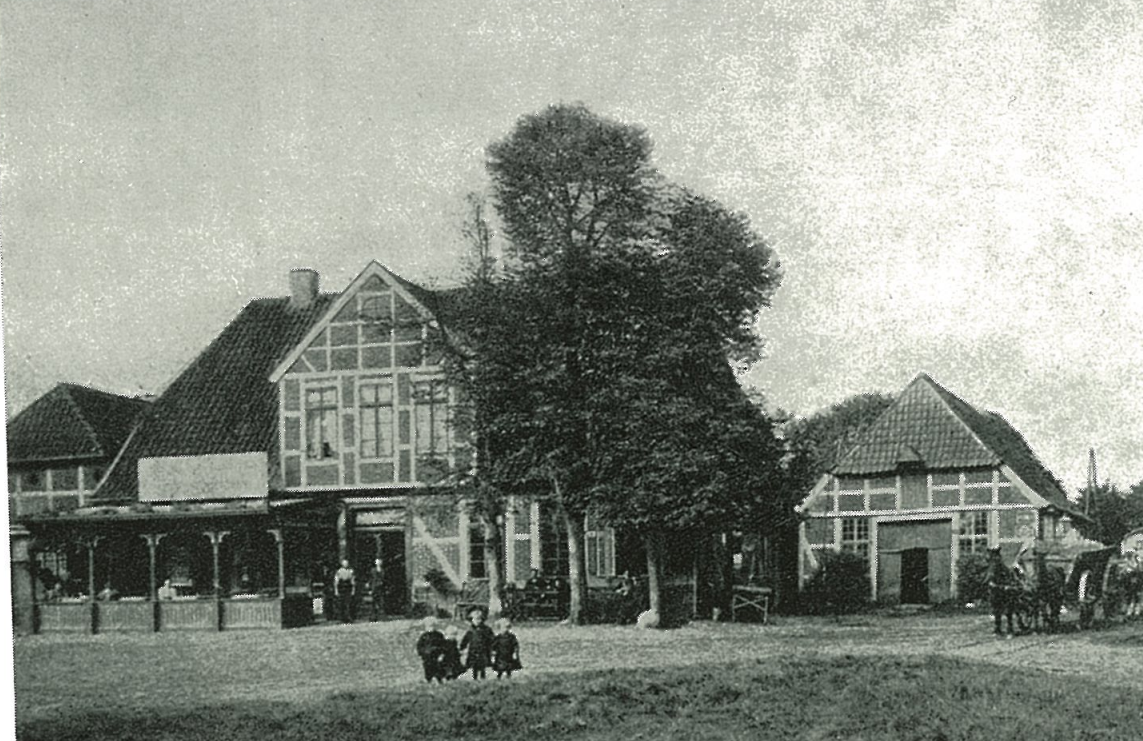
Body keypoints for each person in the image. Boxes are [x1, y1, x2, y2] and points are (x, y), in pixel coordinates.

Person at [459, 607, 494, 680]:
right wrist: (462, 646)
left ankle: (483, 677)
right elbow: (466, 639)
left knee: (482, 665)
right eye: (475, 619)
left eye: (479, 619)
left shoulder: (486, 629)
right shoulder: (471, 630)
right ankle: (475, 677)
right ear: (472, 620)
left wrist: (492, 647)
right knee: (474, 665)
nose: (477, 621)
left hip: (483, 650)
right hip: (473, 650)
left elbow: (491, 638)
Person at [415, 616, 447, 684]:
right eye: (428, 626)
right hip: (427, 656)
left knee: (438, 667)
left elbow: (443, 645)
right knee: (427, 667)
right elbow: (419, 645)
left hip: (436, 655)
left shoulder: (438, 635)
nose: (430, 628)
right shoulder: (424, 636)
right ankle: (428, 679)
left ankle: (439, 679)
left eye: (432, 626)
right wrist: (421, 653)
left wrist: (442, 654)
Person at [334, 559, 356, 623]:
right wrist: (336, 590)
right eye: (344, 563)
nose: (346, 564)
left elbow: (353, 581)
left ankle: (348, 617)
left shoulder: (351, 571)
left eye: (347, 563)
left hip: (348, 588)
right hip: (341, 588)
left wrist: (353, 590)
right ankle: (342, 618)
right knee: (341, 604)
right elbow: (336, 582)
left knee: (348, 603)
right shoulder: (339, 571)